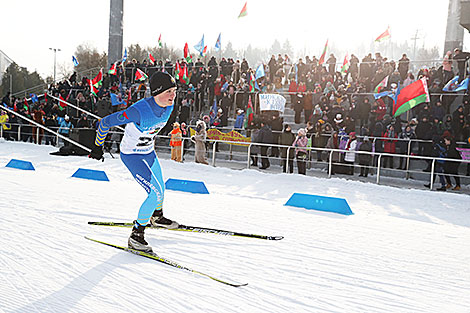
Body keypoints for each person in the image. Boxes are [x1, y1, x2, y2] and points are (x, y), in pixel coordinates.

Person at [88, 72, 179, 252]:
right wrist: (98, 146)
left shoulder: (170, 104)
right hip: (132, 155)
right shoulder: (138, 111)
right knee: (154, 193)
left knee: (161, 187)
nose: (173, 95)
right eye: (169, 91)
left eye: (174, 90)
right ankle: (136, 236)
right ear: (156, 92)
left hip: (148, 151)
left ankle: (156, 217)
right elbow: (105, 122)